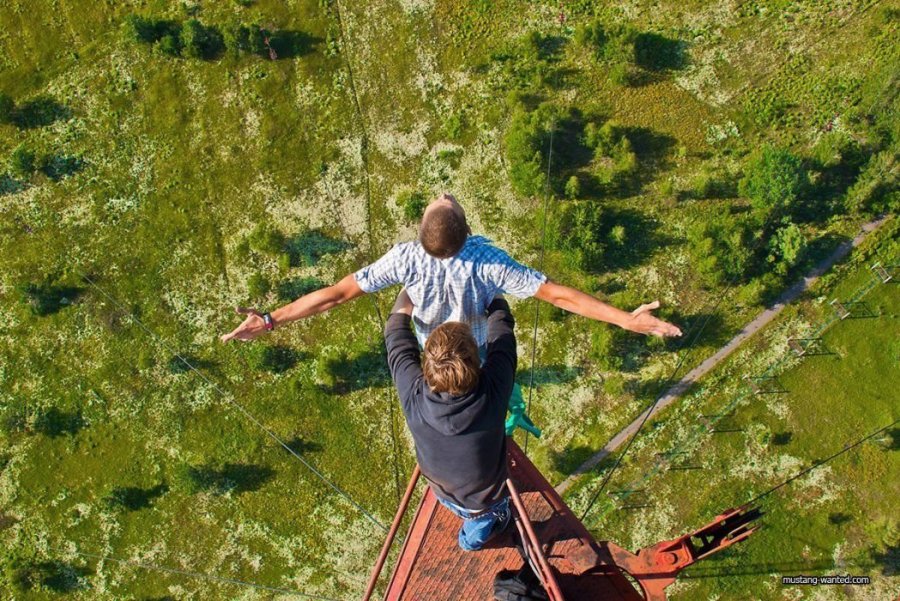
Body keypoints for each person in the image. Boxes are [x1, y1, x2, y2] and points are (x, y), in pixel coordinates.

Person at [219, 193, 681, 346]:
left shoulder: (405, 258)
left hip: (432, 349)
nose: (443, 193)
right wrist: (626, 319)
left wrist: (272, 318)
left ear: (422, 231)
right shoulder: (486, 257)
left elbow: (336, 294)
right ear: (467, 228)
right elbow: (558, 295)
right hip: (475, 347)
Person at [384, 288, 515, 551]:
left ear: (427, 365)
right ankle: (469, 542)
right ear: (477, 362)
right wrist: (492, 288)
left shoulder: (414, 393)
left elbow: (395, 333)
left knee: (471, 508)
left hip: (439, 486)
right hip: (482, 502)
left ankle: (475, 526)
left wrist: (410, 287)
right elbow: (501, 331)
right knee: (482, 521)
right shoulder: (492, 391)